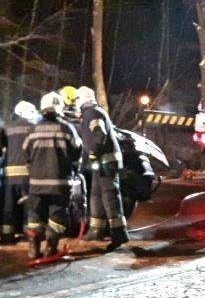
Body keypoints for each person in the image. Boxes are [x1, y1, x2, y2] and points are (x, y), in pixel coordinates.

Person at [23, 92, 83, 259]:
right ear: (59, 109)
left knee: (35, 215)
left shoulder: (33, 130)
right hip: (59, 182)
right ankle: (51, 248)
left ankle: (33, 249)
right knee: (57, 215)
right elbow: (77, 152)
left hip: (36, 183)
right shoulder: (67, 128)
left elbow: (26, 152)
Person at [76, 86, 129, 249]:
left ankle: (119, 234)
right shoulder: (91, 112)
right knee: (97, 195)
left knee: (109, 196)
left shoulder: (93, 113)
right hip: (102, 162)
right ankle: (96, 230)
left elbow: (99, 135)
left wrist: (93, 154)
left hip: (106, 162)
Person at [0, 100, 38, 245]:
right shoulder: (34, 128)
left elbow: (0, 148)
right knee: (29, 204)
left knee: (8, 205)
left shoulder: (7, 127)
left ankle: (6, 235)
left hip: (10, 173)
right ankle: (29, 234)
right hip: (28, 174)